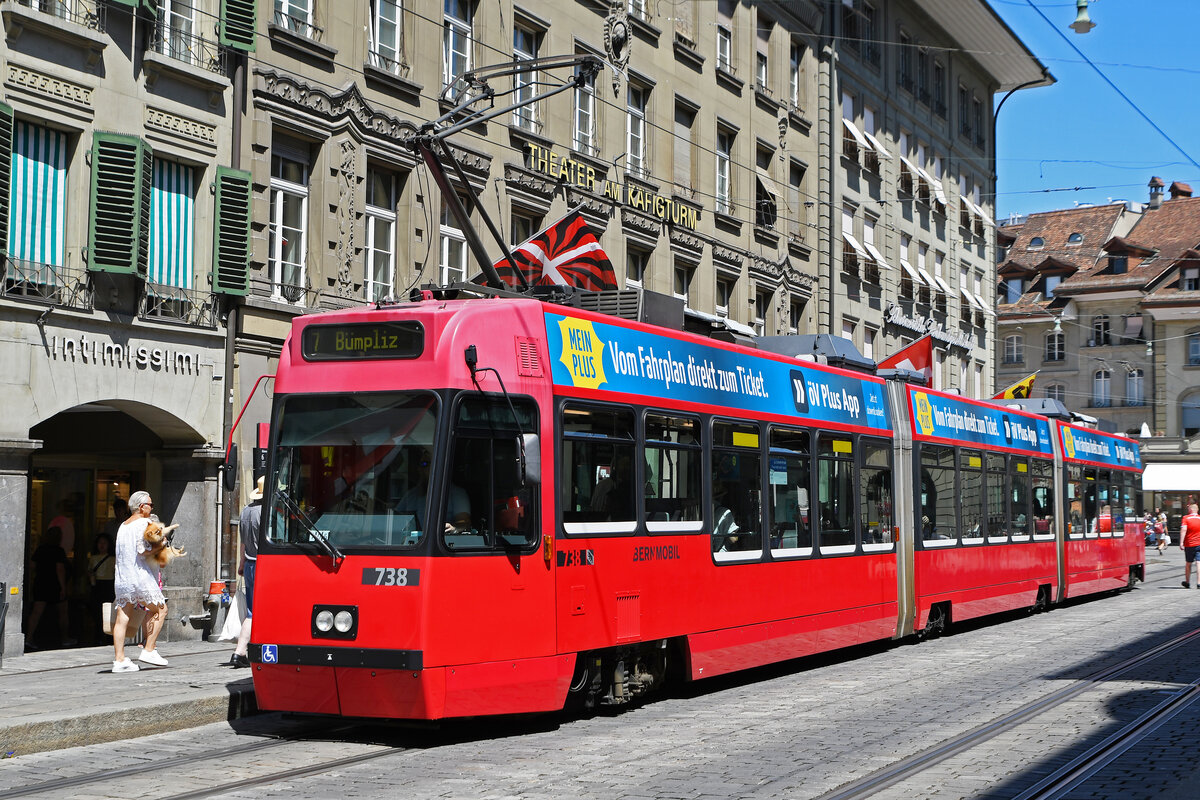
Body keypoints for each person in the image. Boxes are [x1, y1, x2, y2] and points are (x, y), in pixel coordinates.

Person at [111, 490, 169, 672]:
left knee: (122, 618)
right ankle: (149, 649)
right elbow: (143, 550)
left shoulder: (123, 525)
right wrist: (162, 544)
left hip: (123, 578)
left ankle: (119, 660)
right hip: (139, 576)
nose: (152, 508)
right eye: (150, 505)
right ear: (141, 507)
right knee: (161, 609)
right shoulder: (144, 522)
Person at [231, 477, 263, 668]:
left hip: (250, 563)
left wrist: (241, 563)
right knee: (259, 610)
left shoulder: (246, 511)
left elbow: (243, 543)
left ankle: (240, 651)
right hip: (264, 564)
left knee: (252, 610)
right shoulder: (266, 512)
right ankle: (243, 651)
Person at [396, 450, 470, 533]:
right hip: (413, 544)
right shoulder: (411, 494)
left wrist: (454, 528)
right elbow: (396, 520)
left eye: (425, 464)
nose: (420, 468)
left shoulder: (457, 493)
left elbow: (464, 523)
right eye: (420, 464)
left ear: (438, 466)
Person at [26, 526, 69, 649]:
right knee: (63, 612)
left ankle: (28, 638)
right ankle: (64, 638)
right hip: (54, 584)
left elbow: (32, 565)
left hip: (41, 583)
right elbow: (59, 569)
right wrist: (63, 587)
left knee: (36, 612)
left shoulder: (40, 549)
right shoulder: (59, 551)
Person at [87, 532, 115, 644]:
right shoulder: (93, 558)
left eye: (104, 543)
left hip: (109, 585)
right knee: (97, 612)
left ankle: (108, 637)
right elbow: (90, 572)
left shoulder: (113, 559)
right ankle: (98, 636)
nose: (102, 545)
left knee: (109, 612)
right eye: (100, 543)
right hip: (97, 585)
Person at [1179, 503, 1200, 588]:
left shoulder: (1186, 518)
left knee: (1188, 563)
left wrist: (1181, 542)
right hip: (1199, 543)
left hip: (1189, 544)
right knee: (1199, 562)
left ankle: (1187, 582)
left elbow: (1184, 529)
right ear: (1197, 510)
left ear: (1190, 510)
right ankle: (1199, 582)